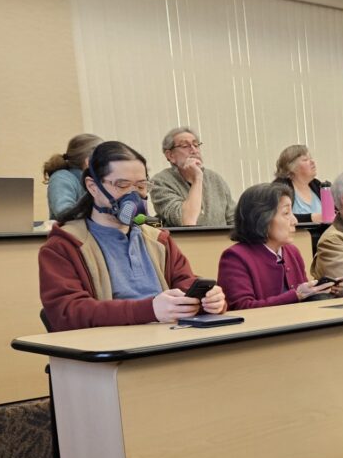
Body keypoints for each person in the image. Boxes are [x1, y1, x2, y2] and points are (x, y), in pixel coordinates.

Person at [39, 140, 226, 332]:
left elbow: (184, 285)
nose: (133, 195)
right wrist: (149, 309)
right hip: (110, 352)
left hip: (164, 344)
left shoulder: (158, 240)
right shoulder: (64, 245)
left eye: (141, 186)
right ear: (93, 187)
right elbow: (67, 312)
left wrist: (207, 301)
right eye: (122, 185)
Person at [217, 182, 340, 309]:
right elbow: (241, 307)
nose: (295, 221)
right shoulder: (235, 257)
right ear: (262, 218)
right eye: (286, 213)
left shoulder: (292, 252)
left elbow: (302, 300)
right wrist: (297, 295)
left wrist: (319, 290)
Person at [150, 126, 235, 227]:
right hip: (184, 242)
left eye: (196, 145)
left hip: (220, 242)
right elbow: (185, 220)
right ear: (170, 155)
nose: (194, 150)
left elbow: (233, 220)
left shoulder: (215, 179)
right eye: (185, 146)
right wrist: (197, 179)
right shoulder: (160, 182)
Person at [42, 133, 102, 220]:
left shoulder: (99, 180)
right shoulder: (61, 178)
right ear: (88, 161)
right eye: (104, 159)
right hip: (70, 232)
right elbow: (64, 213)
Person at [274, 144, 324, 223]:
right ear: (291, 167)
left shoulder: (318, 185)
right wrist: (310, 218)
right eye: (305, 159)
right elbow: (277, 216)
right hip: (294, 234)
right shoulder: (280, 188)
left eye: (311, 158)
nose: (312, 162)